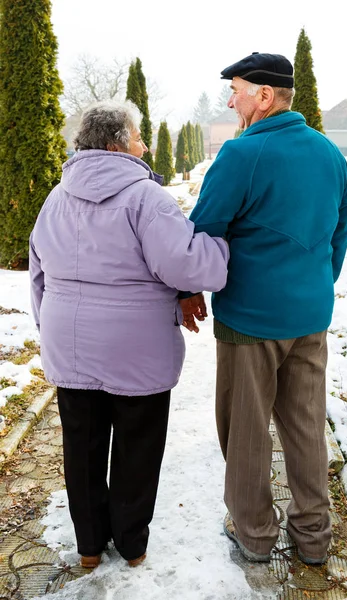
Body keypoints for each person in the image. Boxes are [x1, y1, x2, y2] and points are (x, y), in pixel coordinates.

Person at [29, 100, 229, 569]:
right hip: (135, 348)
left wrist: (50, 326)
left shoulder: (56, 198)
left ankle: (90, 546)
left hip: (70, 343)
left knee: (81, 444)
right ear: (117, 144)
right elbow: (182, 262)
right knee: (138, 444)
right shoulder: (147, 198)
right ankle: (132, 544)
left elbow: (37, 272)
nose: (145, 145)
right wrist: (218, 246)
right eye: (139, 136)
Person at [180, 52, 347, 565]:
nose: (229, 99)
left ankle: (256, 536)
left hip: (250, 321)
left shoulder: (240, 156)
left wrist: (189, 287)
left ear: (263, 95)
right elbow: (339, 231)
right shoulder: (328, 152)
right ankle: (314, 538)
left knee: (247, 430)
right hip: (310, 318)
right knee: (305, 428)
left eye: (235, 89)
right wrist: (315, 285)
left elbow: (203, 230)